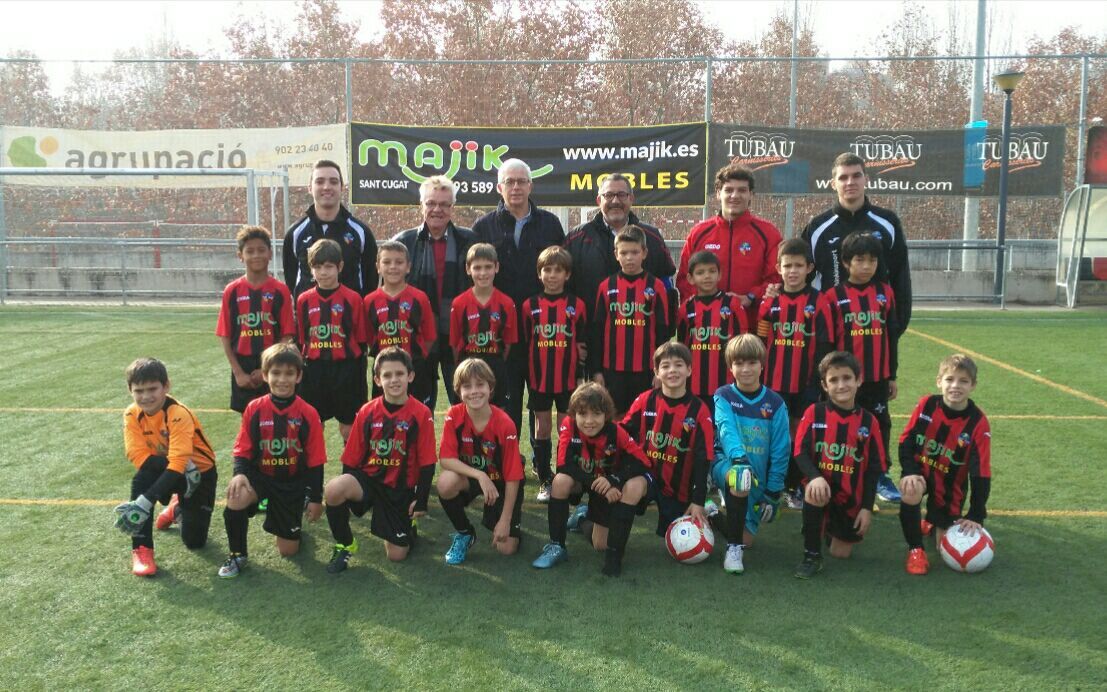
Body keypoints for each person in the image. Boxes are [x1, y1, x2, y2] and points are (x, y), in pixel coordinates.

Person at [217, 343, 327, 579]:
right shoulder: (254, 409)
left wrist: (316, 498)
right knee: (236, 496)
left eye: (289, 373)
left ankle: (292, 521)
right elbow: (243, 449)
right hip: (261, 477)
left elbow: (316, 461)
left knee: (288, 551)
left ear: (298, 376)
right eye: (276, 373)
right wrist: (239, 473)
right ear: (265, 375)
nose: (282, 379)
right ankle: (238, 555)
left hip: (291, 483)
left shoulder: (308, 413)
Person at [323, 347, 437, 572]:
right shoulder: (367, 411)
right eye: (387, 375)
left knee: (396, 555)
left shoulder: (421, 414)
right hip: (370, 480)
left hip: (399, 489)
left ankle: (408, 524)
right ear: (377, 380)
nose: (394, 380)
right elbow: (352, 457)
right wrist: (348, 498)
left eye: (399, 374)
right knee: (334, 489)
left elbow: (427, 462)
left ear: (410, 376)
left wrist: (421, 499)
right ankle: (345, 544)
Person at [472, 158, 565, 431]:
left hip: (543, 330)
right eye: (509, 182)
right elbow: (475, 278)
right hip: (500, 331)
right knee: (506, 396)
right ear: (499, 187)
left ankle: (541, 459)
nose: (516, 187)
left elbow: (561, 272)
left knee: (541, 399)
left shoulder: (549, 224)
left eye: (521, 181)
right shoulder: (483, 226)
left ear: (530, 186)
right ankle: (508, 455)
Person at [814, 232, 902, 503]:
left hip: (875, 376)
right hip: (843, 380)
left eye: (872, 260)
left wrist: (892, 375)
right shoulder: (832, 297)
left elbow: (891, 335)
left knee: (880, 423)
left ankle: (880, 475)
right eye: (860, 260)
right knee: (840, 426)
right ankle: (837, 471)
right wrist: (827, 379)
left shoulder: (885, 294)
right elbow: (826, 342)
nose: (866, 266)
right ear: (846, 262)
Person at [532, 383, 652, 577]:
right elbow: (563, 465)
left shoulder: (616, 432)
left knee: (600, 545)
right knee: (561, 481)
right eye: (583, 414)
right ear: (573, 414)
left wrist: (614, 479)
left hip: (606, 483)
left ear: (606, 415)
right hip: (584, 482)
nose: (589, 421)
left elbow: (643, 462)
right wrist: (601, 484)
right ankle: (556, 546)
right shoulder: (569, 426)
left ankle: (581, 520)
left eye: (596, 414)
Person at [113, 358, 217, 577]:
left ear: (166, 386)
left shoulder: (178, 413)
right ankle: (141, 548)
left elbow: (179, 461)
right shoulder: (132, 414)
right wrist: (145, 497)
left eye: (153, 389)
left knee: (194, 542)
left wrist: (144, 502)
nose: (146, 396)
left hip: (201, 473)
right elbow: (137, 454)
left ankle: (176, 508)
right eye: (139, 390)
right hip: (172, 468)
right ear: (130, 390)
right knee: (142, 479)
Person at [792, 351, 886, 579]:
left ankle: (826, 528)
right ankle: (811, 555)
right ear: (824, 385)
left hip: (850, 497)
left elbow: (874, 470)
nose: (841, 385)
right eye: (833, 380)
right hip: (821, 487)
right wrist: (814, 476)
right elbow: (799, 452)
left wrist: (866, 507)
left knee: (841, 553)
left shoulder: (869, 422)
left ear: (858, 380)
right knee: (814, 492)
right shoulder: (815, 412)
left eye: (847, 378)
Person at [897, 354, 992, 575]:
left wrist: (977, 513)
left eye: (963, 381)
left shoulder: (978, 423)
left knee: (944, 549)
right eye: (950, 379)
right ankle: (915, 549)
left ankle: (932, 520)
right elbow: (906, 441)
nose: (955, 386)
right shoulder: (926, 404)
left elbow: (981, 472)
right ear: (939, 381)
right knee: (910, 490)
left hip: (950, 484)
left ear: (973, 386)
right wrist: (909, 471)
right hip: (921, 472)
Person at [802, 152, 912, 334]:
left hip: (877, 328)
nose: (850, 182)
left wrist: (897, 325)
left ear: (866, 179)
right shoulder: (817, 227)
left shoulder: (888, 222)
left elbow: (900, 278)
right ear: (833, 184)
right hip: (833, 329)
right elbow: (803, 277)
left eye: (856, 176)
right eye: (843, 177)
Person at [393, 175, 476, 410]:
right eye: (431, 203)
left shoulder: (469, 241)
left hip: (458, 337)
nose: (437, 209)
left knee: (464, 405)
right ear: (421, 205)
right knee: (416, 407)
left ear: (452, 208)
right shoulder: (404, 242)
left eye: (444, 204)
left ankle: (464, 448)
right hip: (417, 339)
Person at [711, 335, 790, 574]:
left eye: (752, 363)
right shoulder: (724, 395)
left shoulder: (775, 403)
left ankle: (713, 514)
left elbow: (780, 449)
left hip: (758, 475)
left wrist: (773, 492)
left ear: (762, 365)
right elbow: (726, 430)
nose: (745, 369)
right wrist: (738, 460)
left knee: (748, 538)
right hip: (726, 463)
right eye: (739, 363)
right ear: (730, 366)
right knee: (740, 477)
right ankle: (733, 551)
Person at [564, 173, 677, 342]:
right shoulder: (576, 238)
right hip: (591, 341)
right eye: (608, 195)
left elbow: (667, 287)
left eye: (621, 195)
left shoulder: (652, 237)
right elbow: (564, 292)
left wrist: (664, 336)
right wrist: (574, 337)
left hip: (643, 342)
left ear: (631, 198)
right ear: (598, 200)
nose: (615, 201)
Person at [436, 358, 525, 565]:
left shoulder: (505, 424)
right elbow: (446, 459)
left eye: (480, 384)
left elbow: (513, 476)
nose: (474, 391)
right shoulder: (454, 415)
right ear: (459, 391)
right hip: (476, 478)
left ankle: (507, 522)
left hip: (502, 482)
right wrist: (480, 475)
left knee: (507, 548)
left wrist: (505, 520)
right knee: (445, 483)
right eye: (467, 386)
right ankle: (465, 533)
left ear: (490, 387)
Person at [621, 342, 714, 540]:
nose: (672, 370)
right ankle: (587, 517)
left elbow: (703, 458)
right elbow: (621, 433)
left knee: (673, 537)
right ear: (656, 371)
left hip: (678, 488)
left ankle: (710, 513)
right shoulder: (645, 400)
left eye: (679, 365)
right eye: (665, 366)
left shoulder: (699, 410)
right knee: (631, 489)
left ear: (689, 370)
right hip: (647, 476)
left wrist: (698, 500)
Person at [520, 246, 588, 503]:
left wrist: (581, 375)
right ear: (539, 274)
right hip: (539, 379)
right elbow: (525, 343)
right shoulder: (530, 306)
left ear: (567, 274)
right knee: (543, 426)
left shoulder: (577, 305)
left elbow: (582, 344)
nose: (552, 275)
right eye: (547, 270)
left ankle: (565, 474)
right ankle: (545, 479)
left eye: (558, 270)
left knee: (566, 427)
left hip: (568, 379)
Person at [757, 238, 821, 508]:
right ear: (778, 268)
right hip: (774, 382)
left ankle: (796, 484)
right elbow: (760, 341)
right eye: (787, 266)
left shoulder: (820, 302)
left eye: (798, 265)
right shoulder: (770, 303)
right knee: (772, 434)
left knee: (800, 434)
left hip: (806, 382)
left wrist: (818, 381)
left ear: (809, 268)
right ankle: (773, 483)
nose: (792, 271)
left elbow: (824, 343)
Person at [677, 164, 782, 324]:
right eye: (729, 190)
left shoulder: (768, 233)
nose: (735, 195)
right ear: (718, 194)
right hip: (705, 326)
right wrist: (704, 304)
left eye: (742, 190)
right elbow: (685, 278)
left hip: (750, 325)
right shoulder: (699, 233)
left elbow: (775, 278)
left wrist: (750, 297)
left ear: (751, 194)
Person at [590, 225, 671, 417]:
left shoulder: (656, 287)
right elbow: (597, 332)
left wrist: (660, 370)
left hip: (645, 370)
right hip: (612, 370)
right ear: (616, 254)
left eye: (634, 252)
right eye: (624, 252)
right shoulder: (606, 287)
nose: (629, 257)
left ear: (644, 253)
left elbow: (663, 333)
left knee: (645, 417)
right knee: (615, 418)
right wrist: (596, 371)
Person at [216, 225, 295, 413]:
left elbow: (287, 335)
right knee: (248, 420)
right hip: (242, 364)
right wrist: (238, 372)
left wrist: (267, 369)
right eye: (249, 251)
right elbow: (225, 335)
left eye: (261, 250)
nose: (256, 255)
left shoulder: (280, 290)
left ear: (270, 253)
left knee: (277, 415)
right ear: (240, 255)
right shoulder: (232, 291)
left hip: (274, 364)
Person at [295, 239, 368, 442]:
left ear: (340, 267)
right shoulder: (303, 300)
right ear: (311, 269)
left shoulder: (353, 299)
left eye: (328, 266)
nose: (323, 272)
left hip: (346, 369)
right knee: (313, 426)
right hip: (314, 369)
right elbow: (303, 338)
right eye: (317, 267)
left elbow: (360, 339)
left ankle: (351, 471)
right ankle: (312, 471)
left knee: (349, 427)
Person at [283, 159, 378, 299]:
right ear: (310, 187)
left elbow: (371, 281)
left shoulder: (361, 233)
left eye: (333, 182)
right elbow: (291, 279)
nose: (326, 187)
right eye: (320, 181)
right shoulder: (295, 233)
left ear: (342, 187)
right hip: (309, 318)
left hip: (350, 318)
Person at [363, 240, 437, 405]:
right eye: (387, 262)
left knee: (417, 414)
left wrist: (413, 358)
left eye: (399, 262)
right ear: (378, 267)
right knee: (384, 415)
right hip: (383, 370)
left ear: (408, 266)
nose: (393, 267)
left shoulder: (419, 298)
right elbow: (369, 337)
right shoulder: (370, 301)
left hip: (414, 369)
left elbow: (429, 337)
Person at [449, 243, 518, 410]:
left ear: (496, 268)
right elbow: (455, 343)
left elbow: (508, 343)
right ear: (468, 269)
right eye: (477, 267)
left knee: (497, 411)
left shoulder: (506, 303)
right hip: (468, 363)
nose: (482, 273)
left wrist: (495, 360)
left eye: (488, 267)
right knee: (466, 413)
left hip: (495, 365)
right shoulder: (459, 303)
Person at [675, 250, 749, 406]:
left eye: (712, 271)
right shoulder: (685, 309)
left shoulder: (733, 304)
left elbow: (743, 342)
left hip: (726, 381)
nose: (707, 276)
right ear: (690, 278)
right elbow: (681, 345)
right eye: (700, 272)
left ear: (719, 274)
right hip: (694, 382)